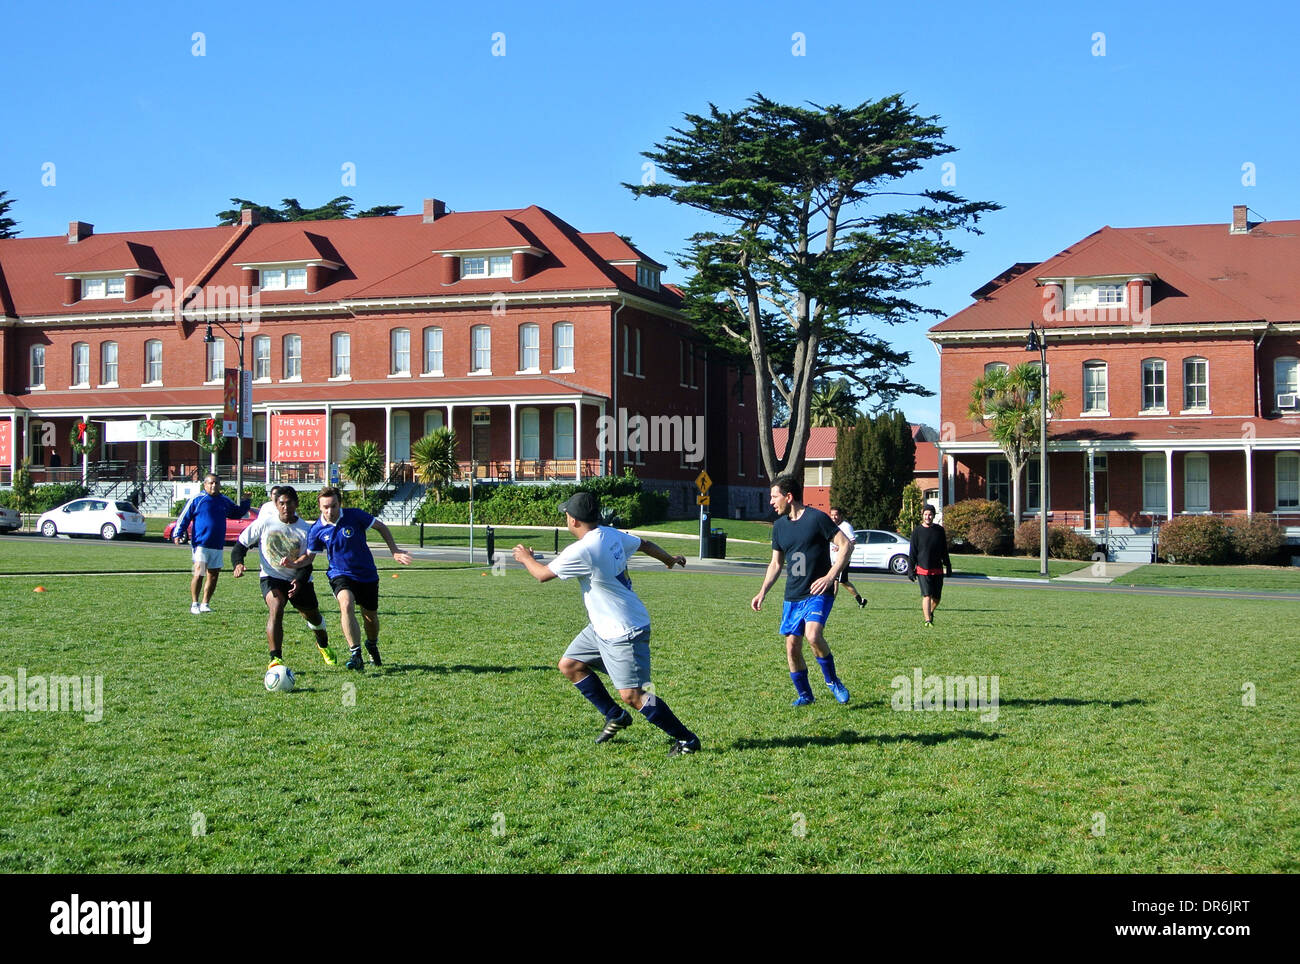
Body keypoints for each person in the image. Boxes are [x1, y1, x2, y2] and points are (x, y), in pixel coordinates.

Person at [512, 491, 701, 756]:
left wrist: (525, 558)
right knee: (570, 665)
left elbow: (542, 576)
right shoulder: (609, 534)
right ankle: (615, 716)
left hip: (624, 630)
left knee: (634, 695)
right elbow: (644, 543)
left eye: (566, 514)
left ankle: (686, 740)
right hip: (602, 627)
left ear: (574, 520)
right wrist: (669, 560)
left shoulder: (583, 549)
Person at [751, 474, 853, 706]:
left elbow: (846, 546)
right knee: (792, 647)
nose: (771, 502)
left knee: (813, 635)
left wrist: (830, 577)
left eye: (774, 496)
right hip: (793, 596)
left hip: (818, 592)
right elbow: (776, 564)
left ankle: (832, 680)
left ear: (789, 496)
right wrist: (762, 592)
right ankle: (805, 695)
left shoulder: (817, 519)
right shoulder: (779, 527)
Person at [292, 486, 411, 670]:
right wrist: (293, 564)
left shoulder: (354, 515)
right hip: (340, 574)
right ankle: (355, 654)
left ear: (340, 504)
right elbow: (309, 557)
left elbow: (380, 527)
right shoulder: (316, 529)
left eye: (333, 506)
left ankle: (371, 644)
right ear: (320, 507)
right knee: (345, 603)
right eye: (325, 507)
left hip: (367, 574)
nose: (329, 511)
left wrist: (394, 550)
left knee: (370, 617)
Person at [231, 486, 336, 669]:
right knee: (276, 607)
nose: (285, 507)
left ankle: (324, 645)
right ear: (276, 504)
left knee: (313, 618)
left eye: (289, 503)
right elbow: (240, 545)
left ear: (296, 504)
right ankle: (275, 658)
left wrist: (300, 580)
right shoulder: (264, 523)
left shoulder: (306, 530)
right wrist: (238, 563)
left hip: (298, 578)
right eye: (281, 503)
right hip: (271, 577)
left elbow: (307, 562)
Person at [174, 473, 251, 614]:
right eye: (211, 483)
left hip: (217, 544)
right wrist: (177, 533)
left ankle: (205, 603)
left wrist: (246, 501)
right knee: (199, 572)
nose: (214, 485)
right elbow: (184, 517)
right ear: (205, 485)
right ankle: (194, 603)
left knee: (214, 574)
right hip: (201, 543)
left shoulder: (224, 501)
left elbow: (236, 513)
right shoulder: (198, 499)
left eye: (216, 483)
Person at [908, 504, 953, 626]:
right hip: (923, 569)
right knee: (927, 595)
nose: (928, 517)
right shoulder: (917, 531)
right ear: (922, 516)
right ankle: (927, 620)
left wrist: (948, 566)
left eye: (930, 514)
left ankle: (930, 612)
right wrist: (910, 569)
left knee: (937, 598)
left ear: (933, 515)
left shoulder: (939, 531)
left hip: (937, 569)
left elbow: (944, 550)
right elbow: (913, 552)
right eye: (925, 514)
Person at [827, 506, 867, 609]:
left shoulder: (846, 526)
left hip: (843, 559)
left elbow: (852, 541)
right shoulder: (831, 526)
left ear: (840, 516)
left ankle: (860, 599)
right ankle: (860, 600)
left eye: (836, 515)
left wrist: (841, 547)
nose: (834, 517)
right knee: (835, 581)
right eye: (832, 515)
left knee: (841, 581)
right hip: (834, 560)